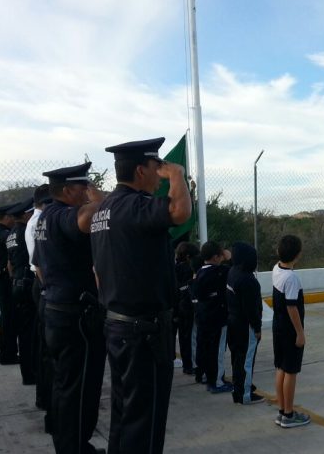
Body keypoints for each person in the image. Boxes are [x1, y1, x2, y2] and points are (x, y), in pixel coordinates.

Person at [90, 137, 192, 454]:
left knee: (125, 414)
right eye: (156, 167)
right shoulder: (135, 206)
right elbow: (179, 211)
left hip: (118, 325)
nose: (159, 173)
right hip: (143, 332)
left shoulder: (103, 209)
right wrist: (177, 175)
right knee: (145, 422)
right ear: (140, 170)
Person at [32, 162, 106, 454]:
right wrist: (101, 198)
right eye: (82, 187)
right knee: (81, 388)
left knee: (65, 385)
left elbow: (38, 265)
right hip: (75, 316)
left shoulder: (43, 218)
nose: (86, 192)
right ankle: (74, 448)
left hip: (54, 307)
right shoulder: (63, 216)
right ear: (67, 190)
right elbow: (89, 216)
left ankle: (70, 445)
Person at [272, 235, 311, 428]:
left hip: (278, 327)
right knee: (291, 371)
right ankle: (289, 414)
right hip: (289, 331)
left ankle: (281, 411)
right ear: (298, 255)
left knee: (280, 368)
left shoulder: (276, 269)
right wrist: (300, 333)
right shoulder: (292, 278)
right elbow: (292, 307)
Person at [25, 184, 53, 428]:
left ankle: (44, 397)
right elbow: (42, 264)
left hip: (41, 285)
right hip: (45, 284)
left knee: (46, 348)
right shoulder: (40, 222)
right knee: (49, 351)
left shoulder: (35, 221)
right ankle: (47, 399)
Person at [226, 241, 265, 405]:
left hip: (233, 322)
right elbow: (251, 309)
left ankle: (238, 387)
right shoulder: (248, 280)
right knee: (246, 360)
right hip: (245, 326)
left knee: (237, 357)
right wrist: (257, 328)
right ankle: (245, 394)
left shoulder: (232, 272)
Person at [193, 241, 233, 394]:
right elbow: (233, 268)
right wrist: (229, 258)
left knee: (204, 348)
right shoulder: (218, 272)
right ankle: (216, 381)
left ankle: (203, 374)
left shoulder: (200, 272)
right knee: (217, 351)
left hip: (203, 317)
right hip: (217, 319)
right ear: (216, 257)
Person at [5, 198, 37, 385]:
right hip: (26, 284)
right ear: (25, 214)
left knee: (23, 331)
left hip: (16, 283)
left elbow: (9, 264)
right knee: (30, 333)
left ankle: (28, 372)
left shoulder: (10, 234)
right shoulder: (25, 231)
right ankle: (31, 373)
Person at [0, 201, 18, 365]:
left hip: (0, 279)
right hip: (5, 280)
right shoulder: (3, 234)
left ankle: (7, 353)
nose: (14, 220)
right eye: (12, 216)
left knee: (6, 318)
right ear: (6, 217)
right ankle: (8, 355)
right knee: (9, 318)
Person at [174, 242, 200, 375]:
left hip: (179, 306)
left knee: (184, 336)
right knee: (191, 336)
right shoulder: (190, 269)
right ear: (189, 257)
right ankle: (192, 364)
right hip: (189, 306)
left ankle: (187, 364)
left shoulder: (175, 268)